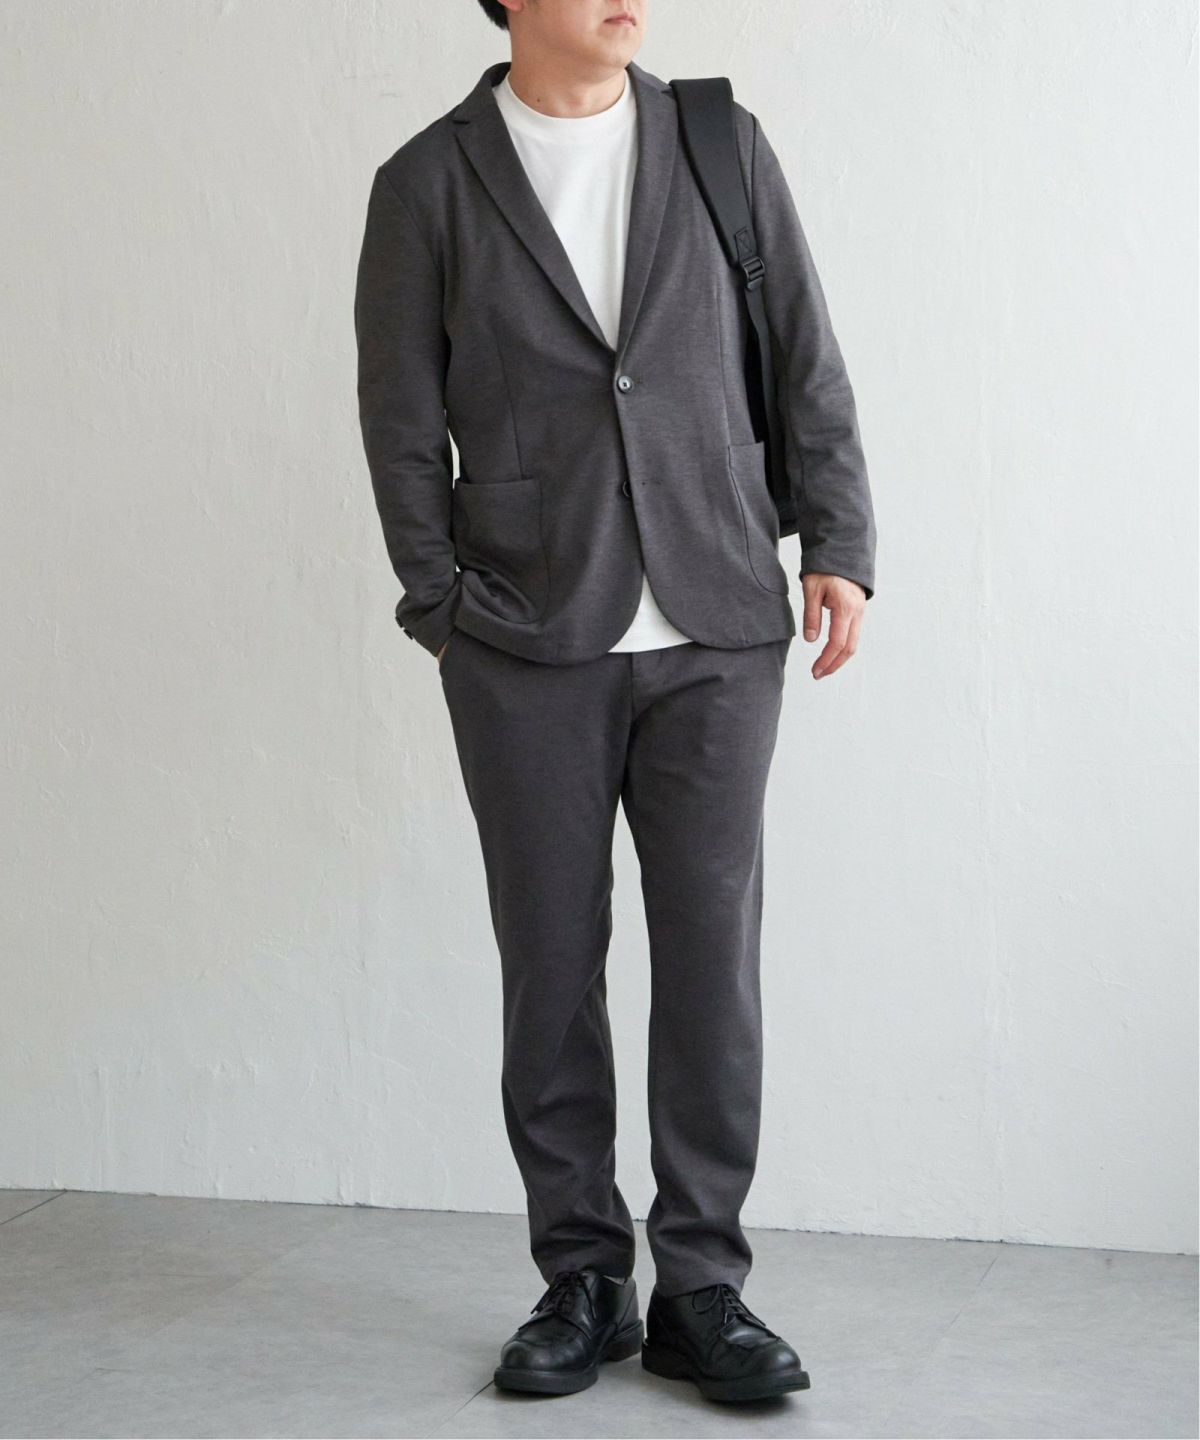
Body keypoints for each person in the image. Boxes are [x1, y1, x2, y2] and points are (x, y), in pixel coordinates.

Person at [354, 0, 876, 1406]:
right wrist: (442, 606)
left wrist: (837, 542)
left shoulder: (718, 140)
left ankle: (703, 1285)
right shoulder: (427, 182)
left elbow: (804, 349)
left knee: (713, 960)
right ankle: (583, 1275)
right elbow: (399, 415)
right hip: (526, 635)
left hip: (719, 618)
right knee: (550, 961)